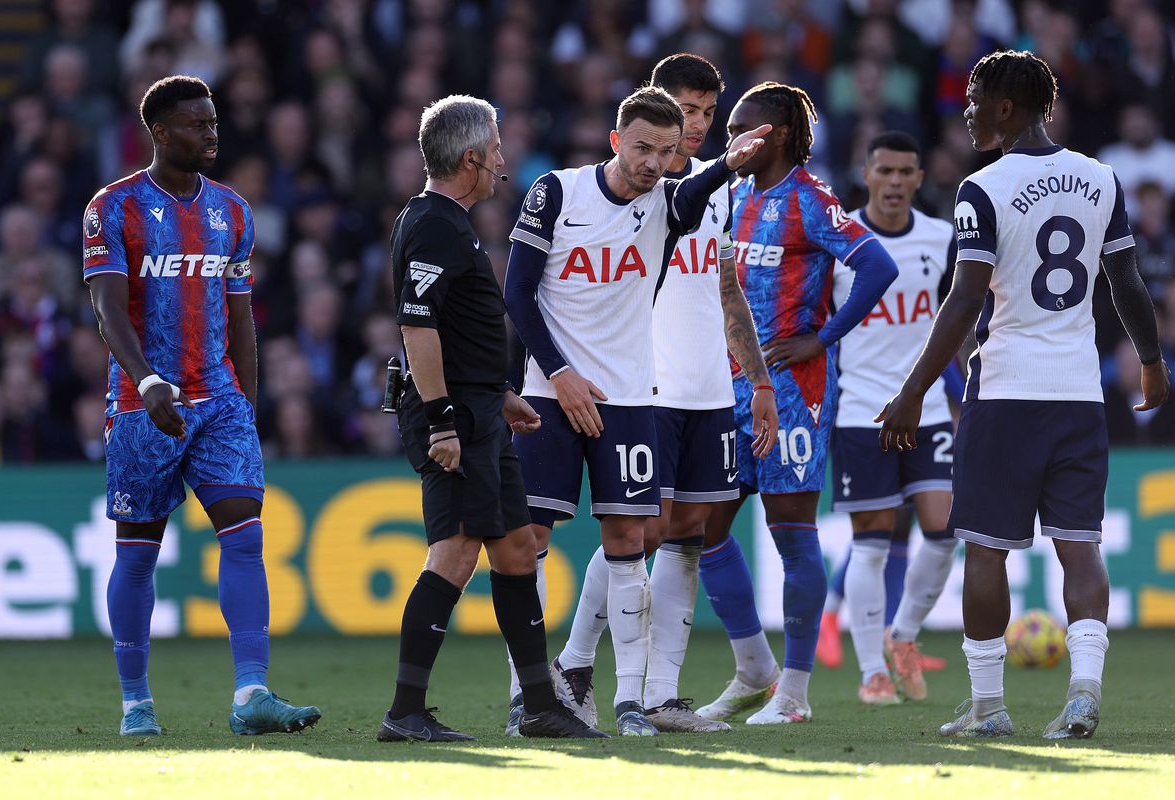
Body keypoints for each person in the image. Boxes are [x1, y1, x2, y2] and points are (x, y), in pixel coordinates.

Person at [878, 50, 1169, 739]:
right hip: (1079, 391)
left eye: (975, 100)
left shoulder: (982, 188)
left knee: (986, 549)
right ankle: (1084, 692)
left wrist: (913, 391)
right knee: (1080, 546)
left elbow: (964, 299)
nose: (966, 111)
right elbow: (1127, 282)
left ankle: (988, 708)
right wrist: (1151, 360)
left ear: (1005, 108)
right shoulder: (1101, 178)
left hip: (1007, 390)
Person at [523, 54, 779, 736]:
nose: (695, 124)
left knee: (688, 535)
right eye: (684, 110)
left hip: (707, 385)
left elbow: (726, 288)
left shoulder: (718, 189)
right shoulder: (644, 193)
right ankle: (578, 664)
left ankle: (660, 696)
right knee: (641, 530)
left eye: (706, 112)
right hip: (646, 382)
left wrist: (755, 378)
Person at [83, 75, 320, 737]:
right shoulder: (113, 207)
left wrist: (248, 405)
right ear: (160, 131)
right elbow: (105, 306)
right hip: (141, 404)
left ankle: (252, 692)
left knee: (245, 533)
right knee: (138, 553)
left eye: (214, 122)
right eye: (196, 124)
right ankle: (136, 704)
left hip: (219, 402)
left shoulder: (233, 212)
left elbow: (241, 316)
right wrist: (146, 381)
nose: (211, 134)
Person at [381, 95, 603, 742]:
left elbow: (450, 327)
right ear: (472, 158)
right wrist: (442, 420)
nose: (505, 161)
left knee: (515, 550)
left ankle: (539, 706)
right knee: (454, 553)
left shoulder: (447, 222)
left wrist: (500, 392)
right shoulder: (434, 225)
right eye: (497, 149)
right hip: (456, 417)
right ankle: (405, 712)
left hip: (479, 409)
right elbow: (417, 328)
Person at [694, 82, 899, 725]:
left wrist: (822, 337)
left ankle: (795, 694)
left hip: (791, 389)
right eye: (729, 130)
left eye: (743, 130)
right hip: (724, 384)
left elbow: (878, 266)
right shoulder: (732, 195)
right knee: (703, 528)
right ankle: (754, 669)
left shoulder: (811, 199)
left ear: (779, 134)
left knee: (790, 531)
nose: (732, 141)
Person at [828, 130, 959, 704]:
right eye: (885, 171)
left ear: (919, 179)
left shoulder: (942, 237)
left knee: (945, 532)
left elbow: (955, 327)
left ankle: (902, 636)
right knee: (872, 545)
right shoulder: (840, 241)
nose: (895, 182)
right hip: (863, 412)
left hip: (926, 411)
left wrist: (960, 395)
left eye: (906, 172)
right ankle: (870, 674)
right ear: (867, 175)